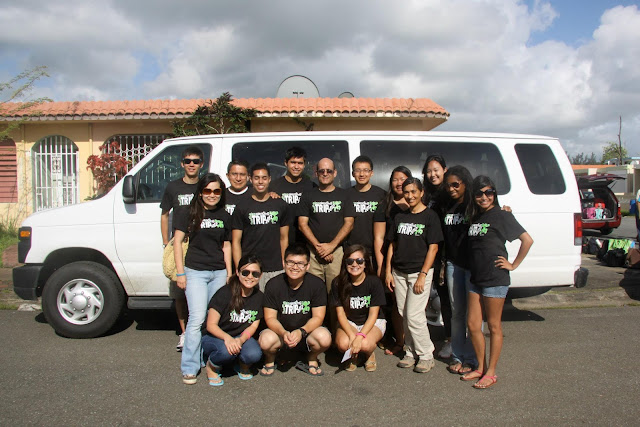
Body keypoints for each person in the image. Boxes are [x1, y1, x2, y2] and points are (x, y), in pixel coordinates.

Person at [462, 175, 533, 389]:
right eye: (479, 193)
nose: (484, 197)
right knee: (473, 325)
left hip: (495, 278)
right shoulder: (475, 217)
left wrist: (513, 264)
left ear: (494, 193)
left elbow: (527, 240)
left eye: (489, 192)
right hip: (476, 277)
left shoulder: (502, 215)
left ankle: (491, 372)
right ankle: (480, 367)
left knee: (493, 326)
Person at [173, 173, 232, 385]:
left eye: (217, 191)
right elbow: (178, 243)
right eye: (207, 190)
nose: (212, 195)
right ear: (200, 192)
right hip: (195, 271)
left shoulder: (225, 214)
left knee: (212, 319)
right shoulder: (187, 212)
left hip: (218, 272)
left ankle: (209, 360)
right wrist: (181, 273)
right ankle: (190, 366)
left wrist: (230, 272)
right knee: (197, 318)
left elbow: (226, 246)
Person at [385, 177, 443, 373]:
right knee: (403, 314)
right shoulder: (400, 217)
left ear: (421, 193)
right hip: (399, 272)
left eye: (413, 192)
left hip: (419, 272)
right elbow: (392, 245)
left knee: (415, 315)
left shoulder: (430, 216)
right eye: (406, 192)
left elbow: (433, 248)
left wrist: (423, 275)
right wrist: (388, 271)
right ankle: (410, 352)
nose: (409, 196)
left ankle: (426, 354)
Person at [259, 244, 331, 377]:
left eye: (300, 263)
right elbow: (270, 318)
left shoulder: (316, 284)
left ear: (307, 266)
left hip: (306, 333)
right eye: (290, 262)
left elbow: (318, 317)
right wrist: (283, 332)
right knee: (265, 340)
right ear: (284, 263)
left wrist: (301, 331)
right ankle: (270, 358)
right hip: (280, 334)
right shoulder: (273, 284)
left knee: (324, 338)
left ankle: (311, 357)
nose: (295, 267)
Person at [160, 146, 204, 352]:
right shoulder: (173, 187)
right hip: (179, 243)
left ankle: (200, 333)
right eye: (188, 161)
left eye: (195, 161)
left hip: (199, 242)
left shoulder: (205, 186)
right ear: (182, 164)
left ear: (201, 164)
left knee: (200, 290)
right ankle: (184, 333)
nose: (192, 164)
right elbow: (164, 214)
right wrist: (165, 242)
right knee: (180, 292)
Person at [201, 254, 264, 386]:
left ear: (260, 275)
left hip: (239, 336)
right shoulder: (224, 293)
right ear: (238, 272)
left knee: (254, 354)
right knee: (225, 352)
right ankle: (212, 366)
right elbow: (211, 325)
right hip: (215, 336)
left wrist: (240, 340)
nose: (250, 277)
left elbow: (253, 326)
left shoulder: (259, 297)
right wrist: (227, 338)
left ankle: (240, 363)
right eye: (245, 272)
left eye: (255, 274)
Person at [298, 158, 355, 294]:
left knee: (335, 293)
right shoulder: (308, 195)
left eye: (328, 170)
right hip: (313, 253)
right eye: (321, 171)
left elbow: (349, 223)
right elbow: (302, 224)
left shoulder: (344, 195)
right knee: (312, 293)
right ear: (316, 173)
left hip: (336, 252)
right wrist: (319, 248)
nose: (325, 173)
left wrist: (331, 246)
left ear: (335, 173)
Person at [441, 165, 477, 375]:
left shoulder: (475, 206)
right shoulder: (448, 205)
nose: (452, 189)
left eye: (455, 184)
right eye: (448, 185)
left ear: (465, 183)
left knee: (473, 316)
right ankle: (457, 355)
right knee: (456, 313)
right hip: (454, 264)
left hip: (472, 266)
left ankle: (472, 358)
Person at [232, 162, 290, 291]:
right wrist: (240, 267)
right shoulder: (242, 206)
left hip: (275, 267)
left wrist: (284, 261)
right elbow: (236, 241)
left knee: (274, 305)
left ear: (269, 179)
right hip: (251, 267)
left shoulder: (280, 204)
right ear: (250, 179)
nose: (260, 182)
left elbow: (284, 238)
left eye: (264, 178)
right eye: (256, 178)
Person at [332, 245, 386, 372]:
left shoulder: (374, 282)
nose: (354, 264)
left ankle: (369, 353)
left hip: (373, 322)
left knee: (365, 345)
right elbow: (340, 314)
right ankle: (354, 355)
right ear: (345, 263)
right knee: (344, 344)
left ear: (366, 263)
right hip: (350, 322)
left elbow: (373, 315)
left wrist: (360, 336)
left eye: (359, 261)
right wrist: (352, 336)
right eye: (350, 261)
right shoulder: (337, 283)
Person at [422, 154, 453, 359]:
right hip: (434, 253)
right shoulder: (426, 195)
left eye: (436, 170)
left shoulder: (451, 192)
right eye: (429, 171)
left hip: (450, 254)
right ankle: (451, 337)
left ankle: (453, 340)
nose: (433, 174)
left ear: (444, 169)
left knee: (452, 301)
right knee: (444, 299)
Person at [381, 166, 413, 356]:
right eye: (395, 179)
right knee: (397, 304)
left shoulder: (418, 203)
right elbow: (384, 239)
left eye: (403, 178)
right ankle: (401, 342)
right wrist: (385, 268)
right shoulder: (386, 203)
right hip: (395, 261)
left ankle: (414, 342)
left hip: (416, 262)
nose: (399, 183)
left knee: (415, 306)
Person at [346, 155, 387, 275]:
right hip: (352, 252)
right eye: (358, 170)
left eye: (365, 170)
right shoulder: (346, 195)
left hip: (374, 252)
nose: (362, 174)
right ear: (353, 173)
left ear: (372, 173)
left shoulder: (381, 195)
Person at [270, 146, 316, 245]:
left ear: (304, 165)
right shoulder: (273, 186)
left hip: (305, 241)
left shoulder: (311, 186)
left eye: (300, 163)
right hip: (280, 240)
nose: (296, 166)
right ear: (286, 163)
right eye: (293, 162)